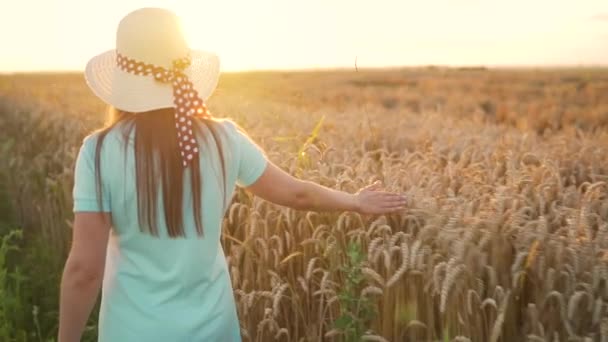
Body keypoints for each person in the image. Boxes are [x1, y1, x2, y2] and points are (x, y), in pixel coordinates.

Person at [58, 7, 407, 342]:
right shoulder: (224, 138)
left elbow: (85, 271)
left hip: (134, 332)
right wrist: (355, 201)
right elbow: (296, 194)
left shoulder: (99, 152)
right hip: (214, 329)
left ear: (125, 78)